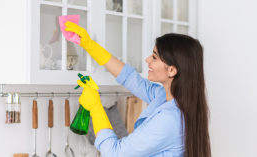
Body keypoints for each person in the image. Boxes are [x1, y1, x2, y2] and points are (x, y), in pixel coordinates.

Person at [65, 21, 211, 157]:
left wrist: (96, 108)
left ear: (172, 70)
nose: (147, 60)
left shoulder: (170, 119)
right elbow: (130, 78)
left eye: (154, 57)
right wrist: (89, 45)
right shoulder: (165, 97)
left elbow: (114, 153)